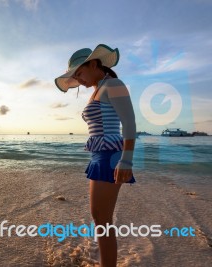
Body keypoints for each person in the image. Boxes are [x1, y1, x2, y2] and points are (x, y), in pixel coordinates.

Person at [55, 44, 136, 267]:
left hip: (111, 155)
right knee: (99, 217)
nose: (78, 79)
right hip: (99, 155)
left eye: (79, 73)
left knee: (102, 219)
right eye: (75, 76)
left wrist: (126, 159)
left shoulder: (113, 84)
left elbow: (129, 123)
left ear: (93, 64)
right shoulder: (97, 90)